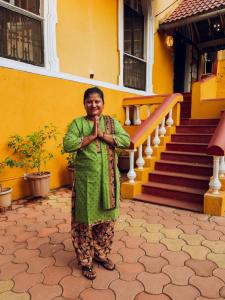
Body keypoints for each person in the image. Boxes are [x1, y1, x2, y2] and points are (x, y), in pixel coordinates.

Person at [63, 87, 130, 280]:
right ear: (84, 104)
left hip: (108, 183)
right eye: (89, 101)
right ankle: (85, 262)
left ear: (103, 103)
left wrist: (102, 135)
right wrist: (91, 136)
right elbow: (68, 144)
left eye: (97, 101)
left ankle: (101, 255)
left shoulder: (111, 122)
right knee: (84, 223)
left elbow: (126, 140)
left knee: (107, 222)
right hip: (86, 184)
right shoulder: (78, 124)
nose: (93, 105)